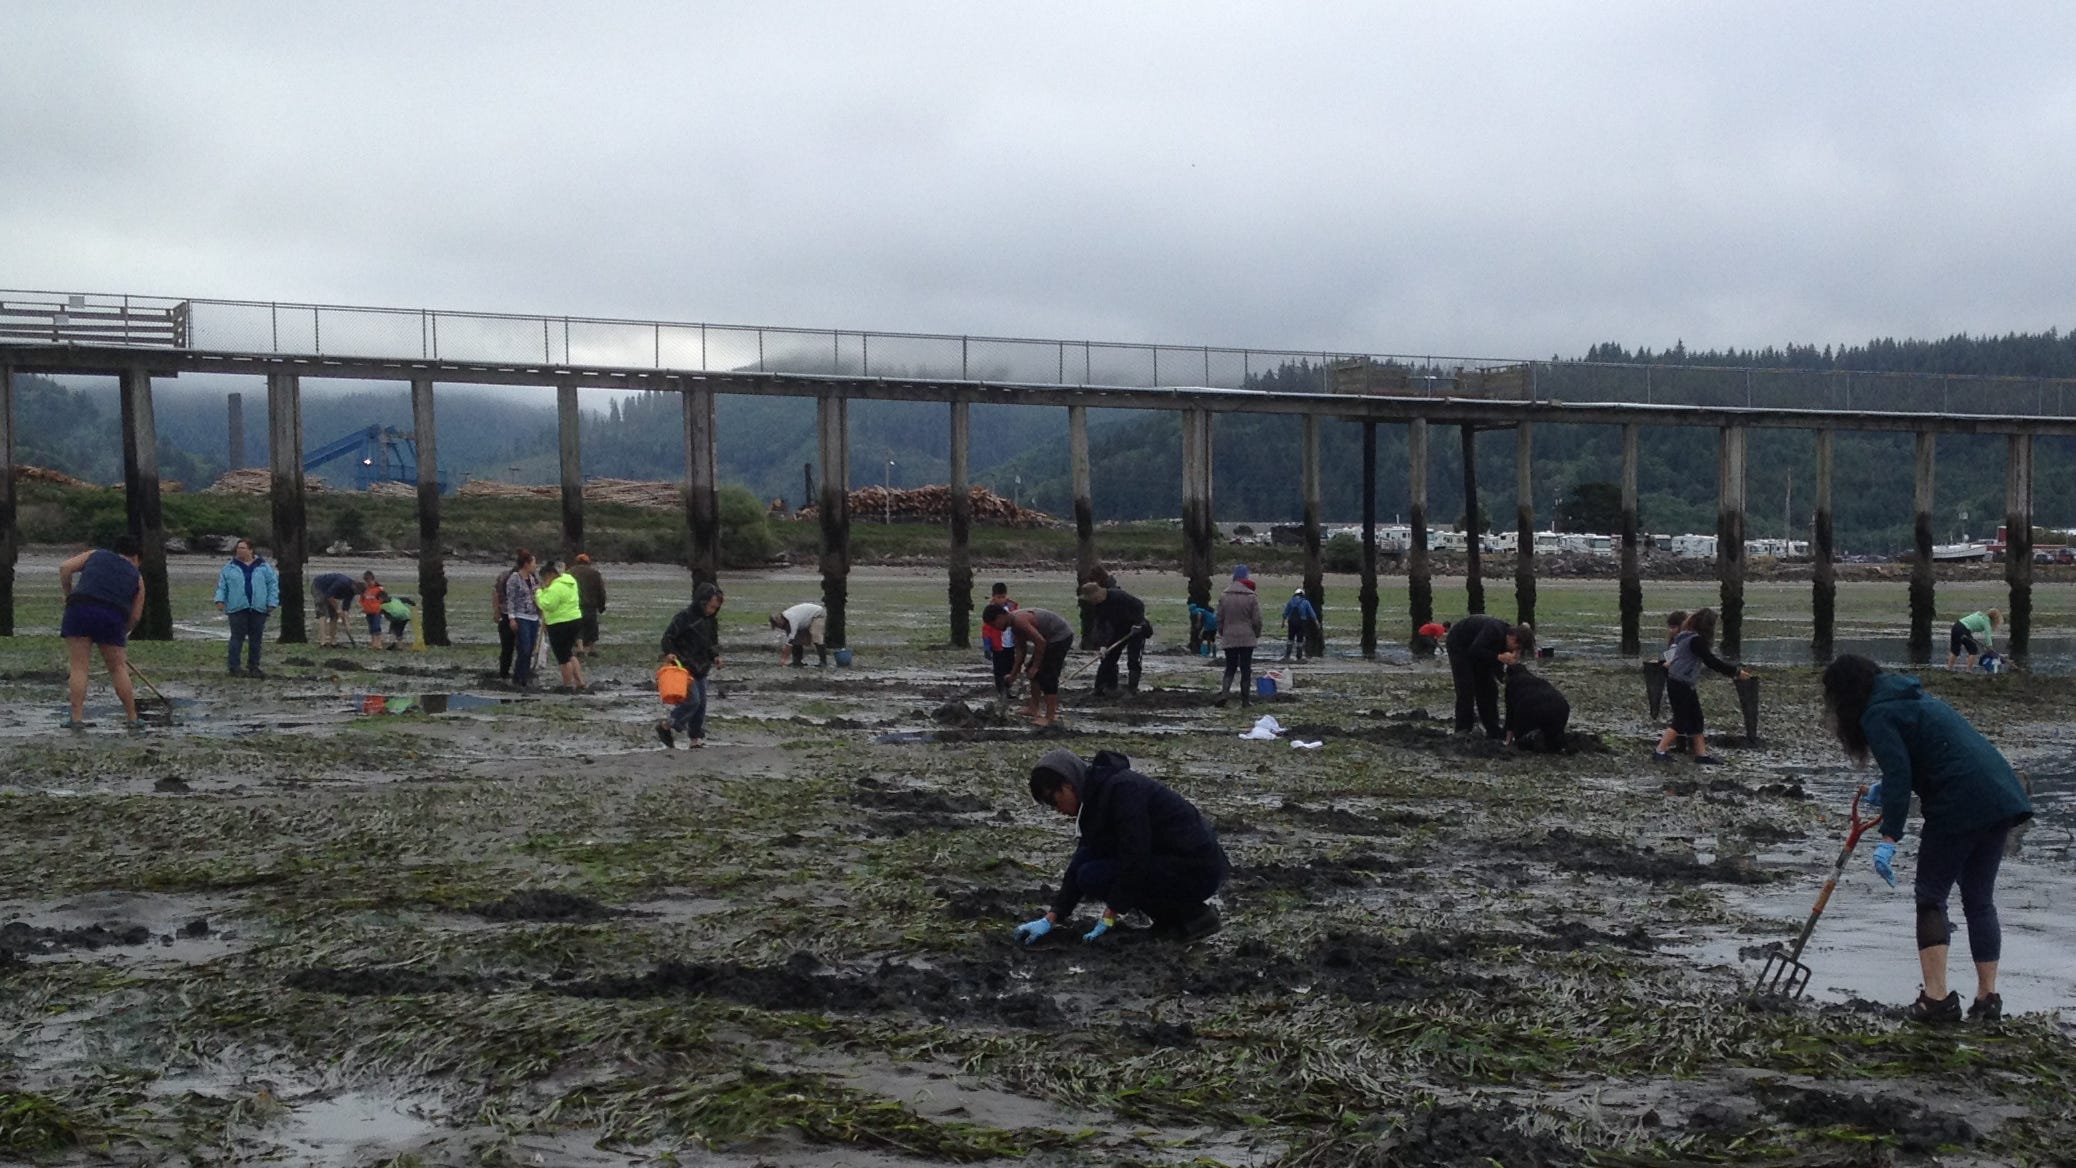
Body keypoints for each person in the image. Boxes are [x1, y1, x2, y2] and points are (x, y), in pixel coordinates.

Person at [1822, 653, 2033, 1024]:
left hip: (1960, 802)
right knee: (1979, 899)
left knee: (1931, 896)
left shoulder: (1876, 714)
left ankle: (1936, 999)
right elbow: (1932, 754)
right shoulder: (1914, 698)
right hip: (2000, 795)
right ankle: (1988, 998)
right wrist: (1883, 788)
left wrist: (1890, 838)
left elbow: (1902, 775)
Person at [1013, 748, 1228, 945]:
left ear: (1068, 784)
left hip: (1198, 868)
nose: (1056, 809)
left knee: (1095, 875)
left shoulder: (1122, 791)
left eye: (1054, 800)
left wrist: (1110, 914)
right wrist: (1053, 916)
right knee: (1087, 870)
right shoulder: (1094, 804)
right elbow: (1082, 858)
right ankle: (1169, 920)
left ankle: (1194, 916)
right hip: (1168, 862)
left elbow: (1135, 856)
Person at [58, 536, 147, 731]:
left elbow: (65, 568)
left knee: (79, 667)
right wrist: (121, 632)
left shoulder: (96, 555)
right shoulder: (137, 578)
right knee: (118, 668)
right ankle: (132, 718)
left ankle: (76, 718)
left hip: (79, 609)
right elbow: (135, 616)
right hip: (113, 616)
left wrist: (69, 595)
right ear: (137, 558)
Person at [1653, 608, 1749, 765]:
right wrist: (1735, 672)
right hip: (1680, 682)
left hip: (1681, 682)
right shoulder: (1696, 641)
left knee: (1697, 718)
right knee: (1680, 720)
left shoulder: (1684, 637)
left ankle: (1701, 754)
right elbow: (1711, 661)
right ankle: (1660, 750)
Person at [984, 604, 1075, 728]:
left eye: (994, 624)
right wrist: (1013, 674)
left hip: (1060, 637)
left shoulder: (1020, 621)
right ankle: (1033, 708)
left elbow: (1040, 642)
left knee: (1047, 675)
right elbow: (1021, 651)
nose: (996, 628)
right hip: (1047, 639)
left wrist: (1036, 666)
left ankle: (1050, 716)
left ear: (1001, 617)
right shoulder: (1014, 626)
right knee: (1031, 671)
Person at [658, 582, 724, 748]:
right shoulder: (684, 617)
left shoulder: (711, 621)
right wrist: (669, 652)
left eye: (716, 608)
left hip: (702, 666)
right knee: (692, 701)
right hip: (683, 665)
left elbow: (712, 642)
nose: (712, 610)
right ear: (702, 602)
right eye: (710, 607)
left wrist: (715, 656)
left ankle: (695, 739)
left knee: (701, 705)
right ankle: (667, 725)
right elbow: (668, 637)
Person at [1445, 615, 1534, 739]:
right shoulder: (1493, 630)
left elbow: (1493, 664)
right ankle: (1463, 729)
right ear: (1513, 638)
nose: (1516, 653)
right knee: (1466, 688)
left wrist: (1504, 678)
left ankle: (1492, 729)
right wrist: (1499, 657)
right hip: (1460, 645)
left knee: (1489, 689)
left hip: (1479, 649)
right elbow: (1475, 650)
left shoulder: (1504, 640)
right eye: (1518, 649)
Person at [213, 538, 279, 678]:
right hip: (237, 607)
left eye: (242, 548)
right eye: (238, 548)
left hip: (258, 608)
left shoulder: (264, 567)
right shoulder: (229, 567)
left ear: (250, 550)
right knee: (237, 637)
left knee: (256, 639)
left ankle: (254, 666)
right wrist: (219, 599)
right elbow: (222, 585)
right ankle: (234, 666)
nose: (239, 551)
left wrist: (272, 602)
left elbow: (272, 585)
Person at [1079, 580, 1149, 697]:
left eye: (1092, 598)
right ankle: (1103, 687)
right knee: (1108, 656)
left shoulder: (1118, 595)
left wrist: (1137, 623)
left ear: (1097, 593)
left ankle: (1132, 689)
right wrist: (1103, 645)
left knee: (1134, 659)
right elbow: (1101, 625)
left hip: (1136, 629)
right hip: (1119, 629)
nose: (1092, 602)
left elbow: (1139, 605)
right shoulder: (1098, 606)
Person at [1214, 569, 1263, 707]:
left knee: (1230, 667)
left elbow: (1219, 618)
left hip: (1229, 636)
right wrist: (1256, 633)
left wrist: (1222, 632)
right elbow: (1257, 620)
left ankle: (1224, 694)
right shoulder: (1251, 597)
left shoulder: (1224, 596)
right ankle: (1245, 700)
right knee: (1246, 669)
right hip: (1247, 637)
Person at [537, 562, 586, 691]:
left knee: (563, 658)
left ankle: (568, 684)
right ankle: (580, 681)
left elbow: (548, 605)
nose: (544, 582)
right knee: (569, 653)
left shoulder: (556, 587)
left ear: (550, 575)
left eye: (544, 579)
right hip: (575, 620)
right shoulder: (570, 581)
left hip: (559, 623)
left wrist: (539, 594)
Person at [1503, 662, 1570, 752]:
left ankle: (1533, 742)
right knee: (1553, 735)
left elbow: (1510, 714)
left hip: (1532, 706)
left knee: (1522, 740)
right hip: (1561, 706)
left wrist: (1508, 741)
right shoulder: (1539, 680)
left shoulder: (1512, 683)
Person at [502, 550, 542, 688]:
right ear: (526, 564)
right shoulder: (514, 578)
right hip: (521, 616)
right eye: (533, 563)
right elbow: (510, 598)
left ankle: (525, 675)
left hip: (533, 617)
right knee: (524, 647)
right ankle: (518, 676)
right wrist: (511, 617)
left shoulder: (533, 579)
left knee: (530, 648)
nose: (535, 566)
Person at [981, 582, 1018, 699]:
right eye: (998, 597)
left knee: (1010, 667)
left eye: (1003, 597)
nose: (1001, 600)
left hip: (1010, 644)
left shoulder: (1013, 608)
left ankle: (1008, 689)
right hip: (998, 646)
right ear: (993, 597)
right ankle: (1001, 691)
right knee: (999, 670)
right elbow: (986, 630)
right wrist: (987, 646)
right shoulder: (990, 612)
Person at [309, 571, 361, 648]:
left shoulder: (352, 592)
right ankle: (323, 642)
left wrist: (346, 622)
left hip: (330, 593)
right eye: (357, 592)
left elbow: (345, 609)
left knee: (335, 616)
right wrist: (337, 609)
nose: (356, 594)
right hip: (319, 587)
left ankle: (333, 642)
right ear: (354, 587)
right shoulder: (342, 582)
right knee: (323, 614)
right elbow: (329, 596)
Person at [571, 554, 608, 657]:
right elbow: (601, 591)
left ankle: (580, 648)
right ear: (588, 562)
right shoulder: (594, 573)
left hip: (575, 605)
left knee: (578, 627)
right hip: (590, 605)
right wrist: (602, 605)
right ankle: (592, 649)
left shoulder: (570, 573)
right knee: (592, 626)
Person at [770, 601, 827, 667]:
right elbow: (791, 640)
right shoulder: (786, 621)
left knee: (816, 635)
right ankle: (797, 661)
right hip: (804, 618)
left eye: (778, 625)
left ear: (780, 620)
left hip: (817, 614)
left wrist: (784, 659)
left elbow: (789, 643)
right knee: (796, 639)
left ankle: (823, 662)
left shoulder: (792, 620)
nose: (780, 628)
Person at [492, 559, 519, 681]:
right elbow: (496, 593)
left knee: (522, 648)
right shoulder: (504, 577)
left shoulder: (531, 577)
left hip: (523, 616)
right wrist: (497, 611)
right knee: (507, 648)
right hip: (506, 614)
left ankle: (519, 673)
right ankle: (504, 673)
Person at [1281, 588, 1320, 662]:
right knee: (1300, 639)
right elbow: (1312, 613)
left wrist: (1283, 622)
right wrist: (1317, 623)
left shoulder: (1291, 601)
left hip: (1291, 623)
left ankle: (1287, 655)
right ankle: (1299, 656)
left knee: (1290, 639)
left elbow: (1285, 613)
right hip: (1301, 623)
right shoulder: (1305, 602)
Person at [359, 570, 387, 649]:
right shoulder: (366, 590)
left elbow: (383, 599)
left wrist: (380, 607)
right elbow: (362, 600)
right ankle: (373, 643)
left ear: (373, 579)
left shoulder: (379, 589)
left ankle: (379, 644)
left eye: (369, 581)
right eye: (366, 581)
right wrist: (364, 608)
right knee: (371, 628)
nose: (368, 583)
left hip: (376, 611)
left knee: (376, 627)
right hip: (368, 612)